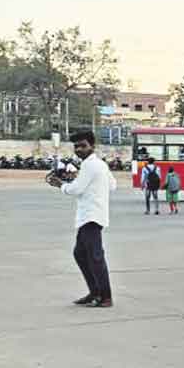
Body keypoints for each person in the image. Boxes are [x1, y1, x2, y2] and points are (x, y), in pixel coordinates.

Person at [47, 130, 117, 308]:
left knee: (95, 257)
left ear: (92, 146)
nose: (79, 149)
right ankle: (95, 292)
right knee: (80, 254)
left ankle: (105, 296)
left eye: (83, 145)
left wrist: (61, 185)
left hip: (91, 216)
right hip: (92, 215)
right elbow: (112, 185)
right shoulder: (100, 164)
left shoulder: (90, 165)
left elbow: (76, 190)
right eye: (76, 146)